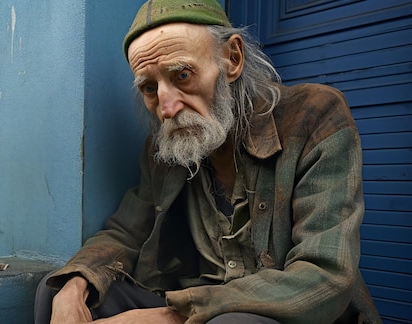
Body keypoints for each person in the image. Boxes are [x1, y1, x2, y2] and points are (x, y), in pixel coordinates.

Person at [35, 0, 381, 323]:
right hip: (197, 306)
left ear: (231, 59)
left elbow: (325, 275)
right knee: (57, 295)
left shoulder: (314, 116)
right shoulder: (167, 146)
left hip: (281, 312)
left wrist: (179, 316)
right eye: (150, 88)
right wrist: (77, 282)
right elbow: (126, 231)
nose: (167, 109)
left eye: (182, 75)